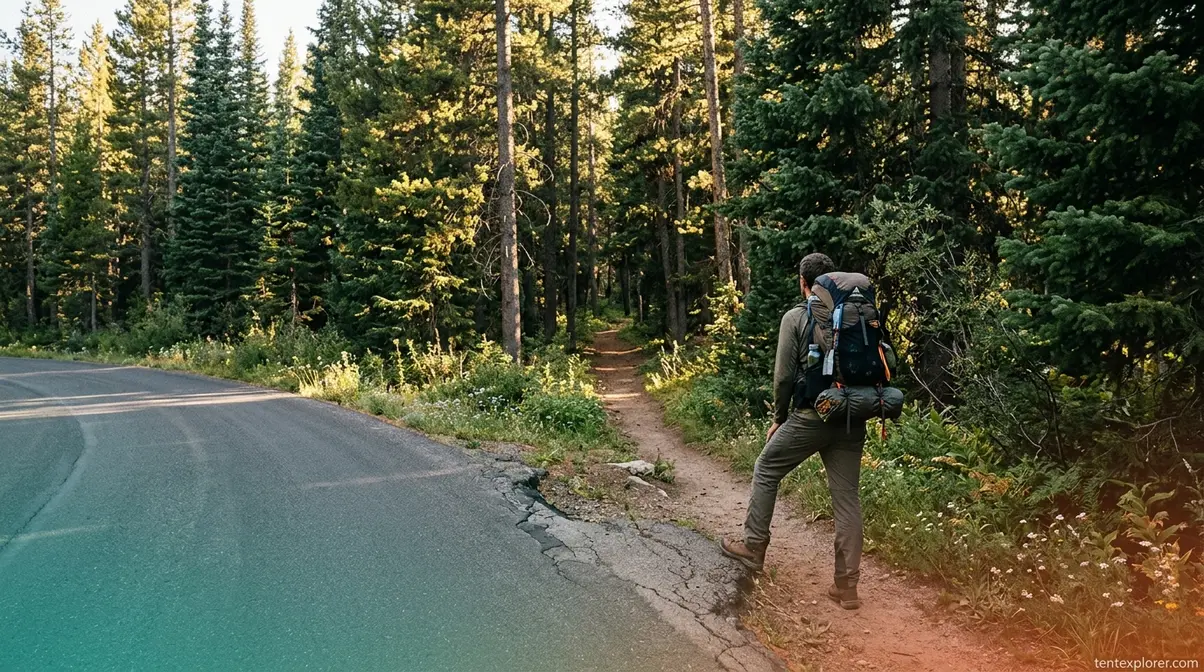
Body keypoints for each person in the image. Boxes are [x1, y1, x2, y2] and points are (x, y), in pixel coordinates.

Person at [720, 252, 866, 610]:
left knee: (766, 468)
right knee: (847, 498)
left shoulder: (796, 317)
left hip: (811, 416)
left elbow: (784, 376)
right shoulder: (856, 314)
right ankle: (847, 586)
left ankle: (753, 547)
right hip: (852, 417)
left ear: (804, 283)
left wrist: (779, 417)